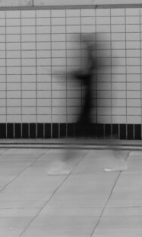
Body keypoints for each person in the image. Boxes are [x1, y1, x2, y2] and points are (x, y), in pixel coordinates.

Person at [48, 33, 126, 173]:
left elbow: (82, 75)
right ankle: (119, 159)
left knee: (76, 134)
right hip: (91, 101)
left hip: (89, 102)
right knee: (100, 133)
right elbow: (83, 74)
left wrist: (65, 75)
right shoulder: (94, 63)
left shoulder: (93, 64)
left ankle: (64, 164)